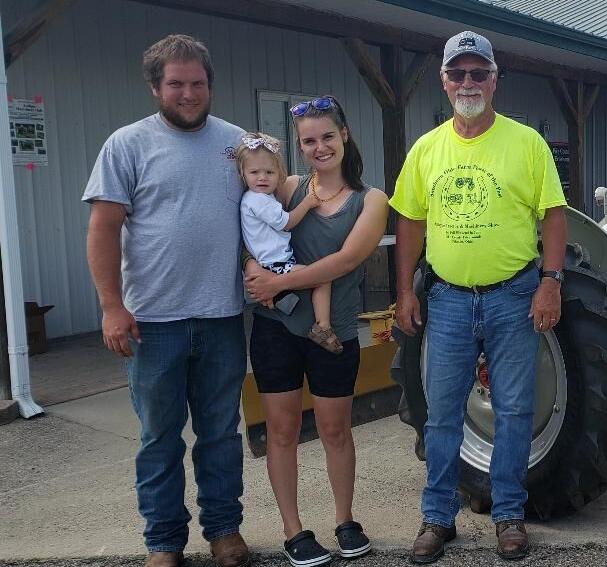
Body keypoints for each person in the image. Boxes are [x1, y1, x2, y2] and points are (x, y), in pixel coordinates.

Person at [391, 31, 568, 563]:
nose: (468, 83)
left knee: (514, 410)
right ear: (444, 82)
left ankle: (508, 514)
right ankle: (437, 517)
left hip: (513, 296)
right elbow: (410, 222)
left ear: (495, 79)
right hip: (446, 299)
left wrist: (551, 281)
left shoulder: (527, 144)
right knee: (442, 414)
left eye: (478, 73)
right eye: (458, 73)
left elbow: (553, 216)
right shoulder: (426, 148)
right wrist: (405, 291)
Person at [83, 34, 250, 567]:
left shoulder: (238, 144)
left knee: (221, 433)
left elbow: (268, 211)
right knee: (159, 438)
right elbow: (103, 228)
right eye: (175, 83)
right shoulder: (126, 145)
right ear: (156, 87)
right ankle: (163, 542)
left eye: (197, 83)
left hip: (223, 316)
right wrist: (112, 305)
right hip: (152, 322)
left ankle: (224, 530)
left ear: (210, 85)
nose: (188, 93)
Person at [243, 95, 388, 567]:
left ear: (344, 135)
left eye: (327, 136)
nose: (320, 147)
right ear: (299, 147)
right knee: (281, 430)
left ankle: (345, 520)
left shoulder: (371, 201)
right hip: (275, 329)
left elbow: (345, 261)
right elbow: (246, 232)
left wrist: (277, 281)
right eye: (309, 141)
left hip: (334, 332)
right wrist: (250, 270)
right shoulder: (283, 187)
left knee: (335, 429)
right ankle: (293, 530)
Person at [236, 131, 342, 354]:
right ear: (243, 174)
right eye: (254, 172)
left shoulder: (252, 198)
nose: (262, 177)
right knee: (322, 279)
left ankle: (278, 298)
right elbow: (287, 222)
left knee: (288, 298)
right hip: (276, 263)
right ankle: (323, 327)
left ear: (279, 174)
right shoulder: (260, 201)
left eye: (269, 172)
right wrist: (308, 202)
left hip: (267, 261)